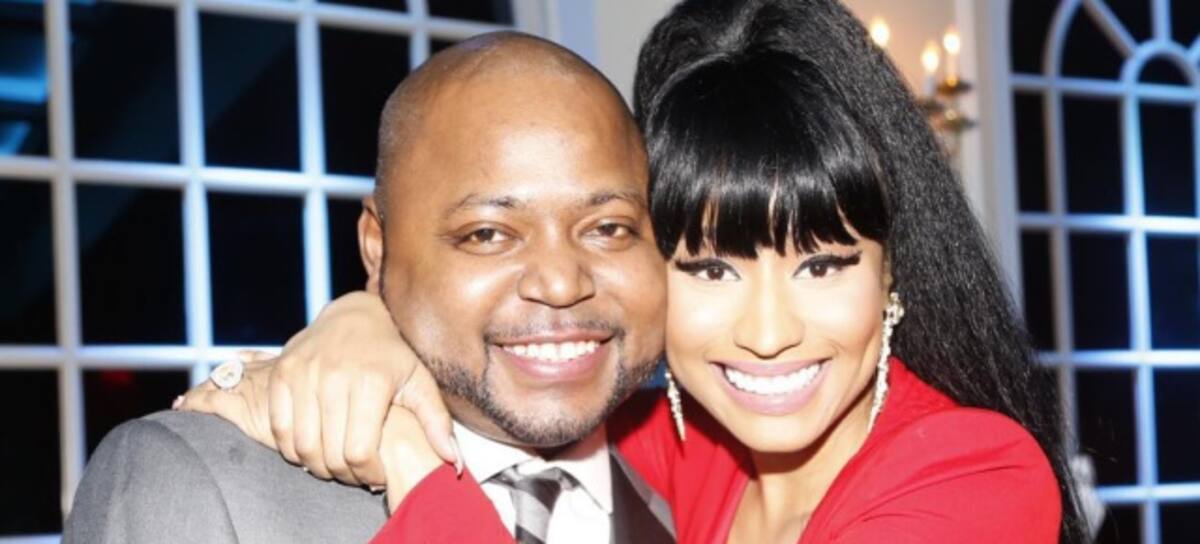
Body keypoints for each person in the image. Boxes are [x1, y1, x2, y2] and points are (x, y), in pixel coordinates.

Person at [184, 1, 1088, 542]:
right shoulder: (675, 444)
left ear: (892, 277)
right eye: (710, 269)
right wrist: (365, 321)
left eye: (822, 265)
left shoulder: (975, 476)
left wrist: (411, 462)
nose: (768, 334)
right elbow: (511, 370)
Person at [65, 32, 675, 544]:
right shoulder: (195, 484)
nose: (562, 282)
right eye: (488, 234)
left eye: (609, 228)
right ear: (377, 249)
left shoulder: (713, 472)